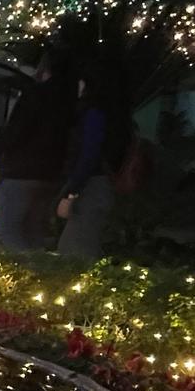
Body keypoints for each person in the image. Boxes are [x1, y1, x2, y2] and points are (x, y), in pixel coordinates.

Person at [0, 48, 77, 250]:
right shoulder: (68, 98)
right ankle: (38, 273)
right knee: (34, 230)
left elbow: (17, 131)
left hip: (22, 171)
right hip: (51, 172)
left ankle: (22, 274)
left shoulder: (35, 94)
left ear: (44, 66)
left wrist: (0, 144)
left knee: (8, 231)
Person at [55, 82, 134, 261]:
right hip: (102, 184)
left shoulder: (94, 115)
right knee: (81, 247)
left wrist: (71, 193)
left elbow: (88, 156)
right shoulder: (117, 116)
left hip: (91, 186)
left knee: (74, 252)